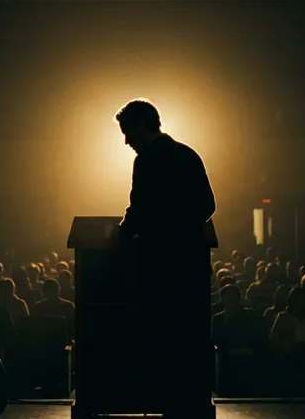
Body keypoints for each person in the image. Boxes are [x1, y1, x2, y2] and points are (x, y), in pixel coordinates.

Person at [115, 98, 216, 417]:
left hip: (158, 266)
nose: (126, 140)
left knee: (161, 339)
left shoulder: (146, 161)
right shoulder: (188, 155)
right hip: (191, 264)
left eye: (127, 131)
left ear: (142, 124)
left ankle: (163, 400)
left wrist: (126, 232)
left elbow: (139, 209)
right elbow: (207, 205)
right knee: (189, 339)